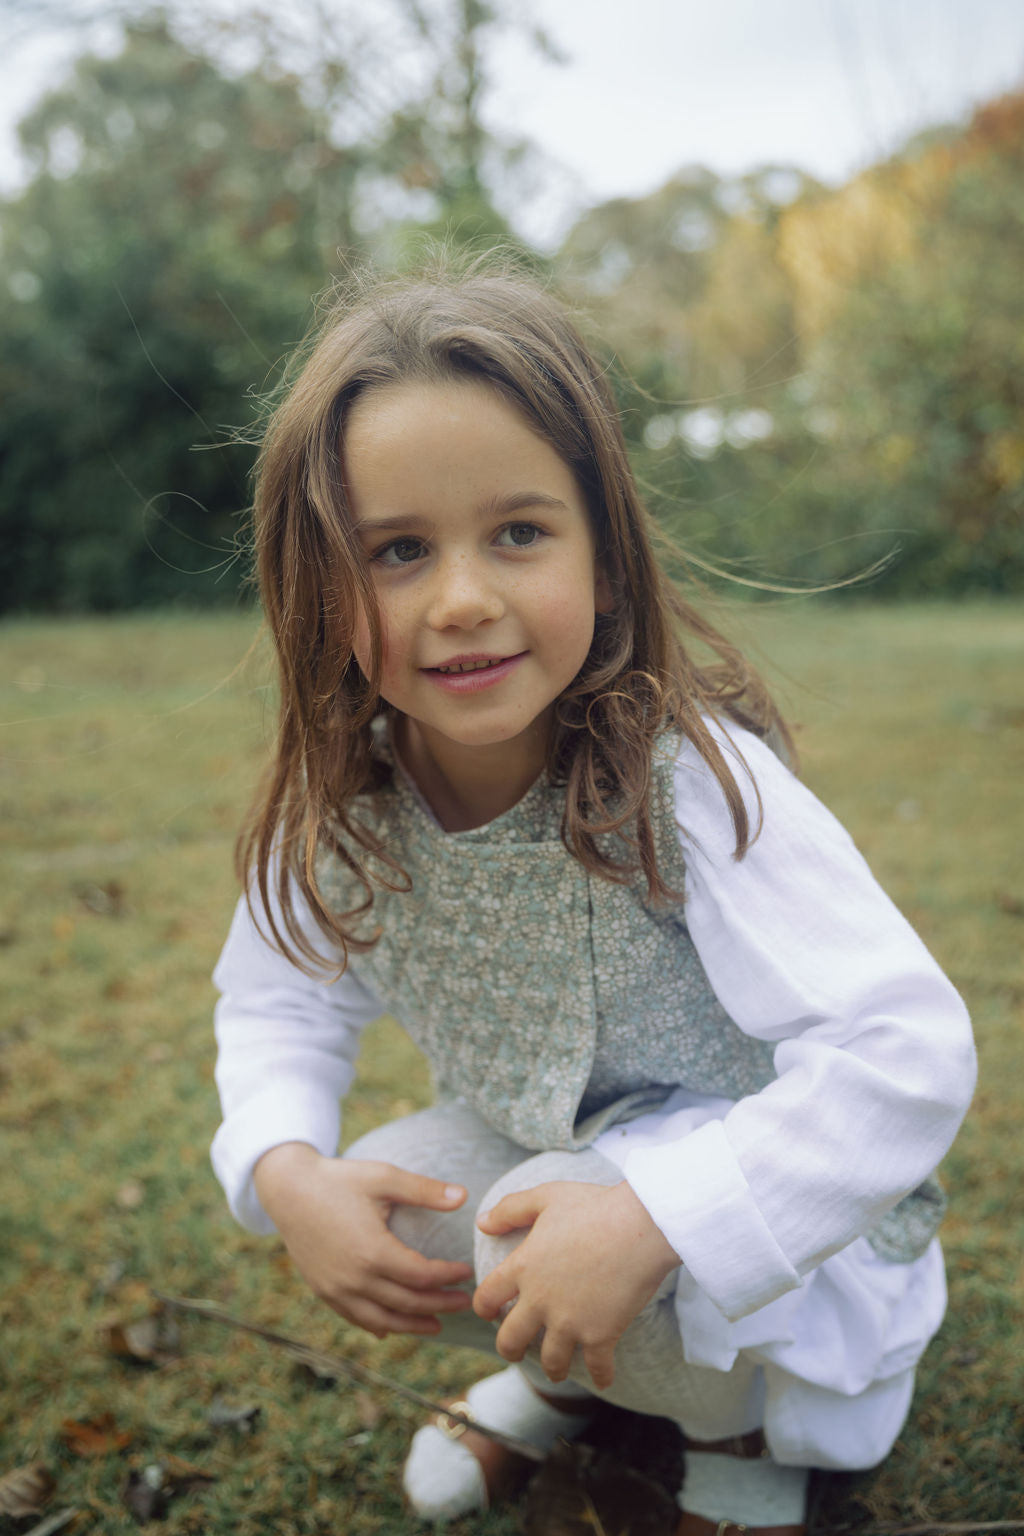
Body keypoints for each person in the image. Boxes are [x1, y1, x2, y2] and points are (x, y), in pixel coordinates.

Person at [210, 259, 975, 1535]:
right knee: (394, 1187)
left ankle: (736, 1436)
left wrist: (657, 1224)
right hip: (561, 1174)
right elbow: (277, 1003)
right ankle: (566, 1374)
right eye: (397, 551)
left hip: (782, 1218)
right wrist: (284, 1170)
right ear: (318, 592)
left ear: (607, 560)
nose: (463, 600)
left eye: (518, 532)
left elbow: (906, 1051)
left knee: (534, 1231)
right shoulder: (350, 808)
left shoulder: (688, 782)